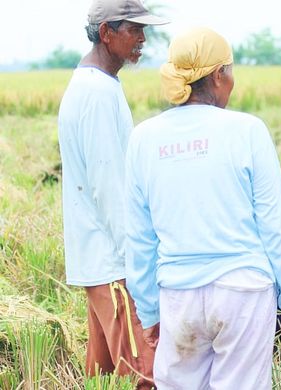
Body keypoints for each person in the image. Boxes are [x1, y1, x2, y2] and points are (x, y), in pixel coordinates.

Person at [124, 27, 281, 389]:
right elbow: (274, 225)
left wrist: (148, 309)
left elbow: (139, 236)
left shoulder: (143, 138)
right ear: (219, 75)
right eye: (231, 71)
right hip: (243, 293)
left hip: (178, 297)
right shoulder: (247, 130)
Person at [57, 0, 167, 387]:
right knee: (144, 376)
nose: (142, 39)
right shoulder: (97, 93)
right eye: (134, 29)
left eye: (144, 30)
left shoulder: (96, 84)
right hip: (117, 266)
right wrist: (137, 262)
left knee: (104, 377)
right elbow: (109, 187)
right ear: (107, 33)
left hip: (101, 261)